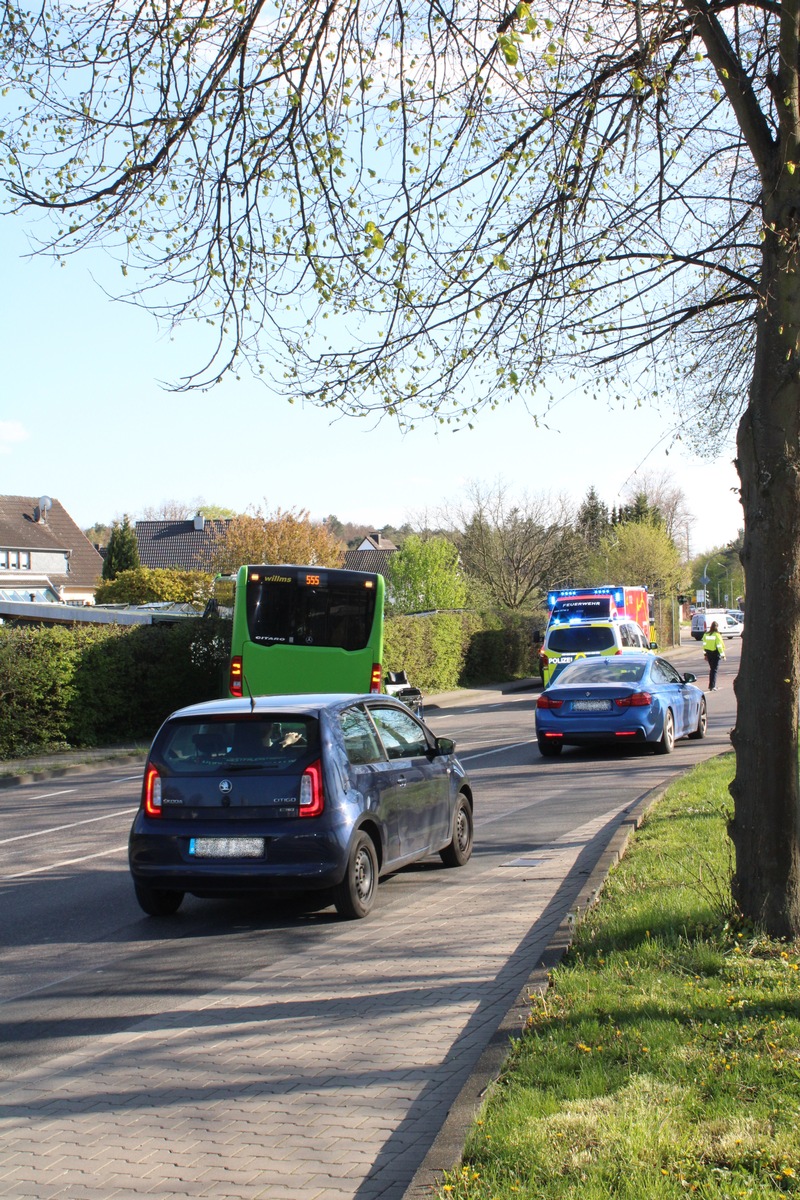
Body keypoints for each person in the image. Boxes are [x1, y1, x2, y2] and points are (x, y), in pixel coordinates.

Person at [701, 620, 726, 691]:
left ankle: (711, 685)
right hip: (715, 653)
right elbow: (719, 646)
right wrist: (723, 655)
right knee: (714, 670)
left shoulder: (706, 634)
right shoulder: (717, 635)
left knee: (712, 669)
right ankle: (712, 685)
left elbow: (704, 645)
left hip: (708, 654)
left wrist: (705, 654)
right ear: (717, 627)